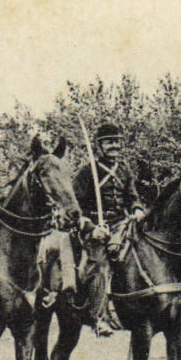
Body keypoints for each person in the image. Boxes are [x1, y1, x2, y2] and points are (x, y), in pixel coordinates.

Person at [72, 122, 146, 336]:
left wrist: (138, 209)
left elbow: (133, 197)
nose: (114, 145)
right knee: (101, 266)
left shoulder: (124, 169)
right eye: (109, 142)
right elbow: (76, 207)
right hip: (96, 228)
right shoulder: (88, 172)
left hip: (122, 225)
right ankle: (99, 318)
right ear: (100, 145)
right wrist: (91, 227)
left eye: (116, 141)